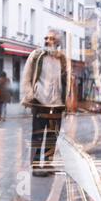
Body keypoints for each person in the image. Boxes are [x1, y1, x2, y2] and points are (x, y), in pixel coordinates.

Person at [21, 30, 68, 177]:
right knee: (38, 136)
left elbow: (65, 80)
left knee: (53, 136)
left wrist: (66, 100)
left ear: (58, 42)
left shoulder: (62, 59)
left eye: (52, 39)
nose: (48, 41)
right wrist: (31, 95)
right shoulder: (36, 56)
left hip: (57, 104)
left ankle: (47, 164)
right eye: (46, 38)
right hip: (40, 102)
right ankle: (36, 166)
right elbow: (26, 77)